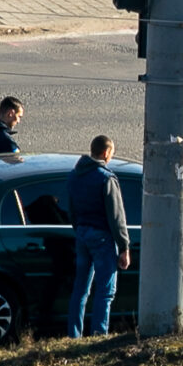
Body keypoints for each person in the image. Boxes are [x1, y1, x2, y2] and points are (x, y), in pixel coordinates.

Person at [68, 134, 131, 338]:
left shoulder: (75, 174)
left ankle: (74, 334)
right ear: (106, 153)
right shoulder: (106, 178)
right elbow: (116, 215)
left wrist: (78, 229)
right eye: (111, 153)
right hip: (102, 237)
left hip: (82, 234)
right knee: (105, 290)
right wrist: (124, 247)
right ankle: (99, 334)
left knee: (81, 289)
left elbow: (71, 209)